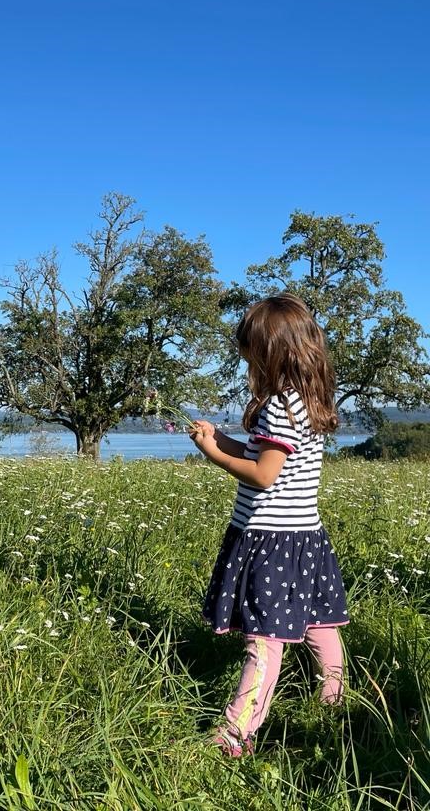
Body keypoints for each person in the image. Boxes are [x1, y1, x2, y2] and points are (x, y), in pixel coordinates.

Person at [189, 293, 349, 757]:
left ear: (270, 353)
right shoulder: (308, 402)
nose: (247, 363)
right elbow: (265, 454)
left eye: (251, 355)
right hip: (304, 537)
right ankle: (334, 704)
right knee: (319, 624)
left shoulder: (278, 406)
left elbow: (263, 475)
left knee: (264, 640)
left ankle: (234, 736)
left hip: (270, 541)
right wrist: (224, 440)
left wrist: (213, 453)